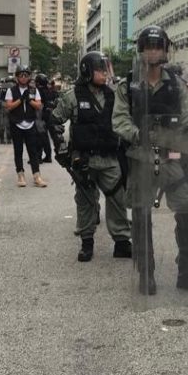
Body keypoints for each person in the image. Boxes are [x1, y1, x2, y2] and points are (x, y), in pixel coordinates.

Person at [112, 25, 188, 296]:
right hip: (142, 159)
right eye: (148, 46)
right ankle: (146, 273)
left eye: (158, 46)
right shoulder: (128, 85)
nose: (153, 51)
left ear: (165, 50)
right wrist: (138, 134)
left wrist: (179, 134)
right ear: (141, 50)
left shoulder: (175, 84)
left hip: (171, 159)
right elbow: (119, 120)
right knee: (142, 218)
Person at [49, 52, 132, 262]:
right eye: (100, 69)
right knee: (86, 202)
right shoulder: (72, 96)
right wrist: (62, 149)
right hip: (84, 159)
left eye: (106, 69)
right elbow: (54, 120)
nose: (105, 74)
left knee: (117, 199)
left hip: (111, 158)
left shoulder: (114, 94)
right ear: (87, 71)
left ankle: (122, 242)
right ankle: (87, 242)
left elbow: (126, 121)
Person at [4, 64, 47, 187]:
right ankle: (20, 175)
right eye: (21, 75)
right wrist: (20, 100)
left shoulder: (34, 90)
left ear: (29, 77)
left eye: (26, 75)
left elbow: (39, 106)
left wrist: (29, 100)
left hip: (30, 123)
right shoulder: (11, 90)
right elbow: (9, 106)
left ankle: (36, 175)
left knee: (33, 151)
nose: (23, 77)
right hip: (16, 123)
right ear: (17, 77)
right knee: (18, 150)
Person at [36, 73, 57, 163]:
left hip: (42, 116)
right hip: (50, 116)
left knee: (40, 137)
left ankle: (39, 157)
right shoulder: (50, 91)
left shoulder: (39, 91)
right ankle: (48, 156)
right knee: (46, 138)